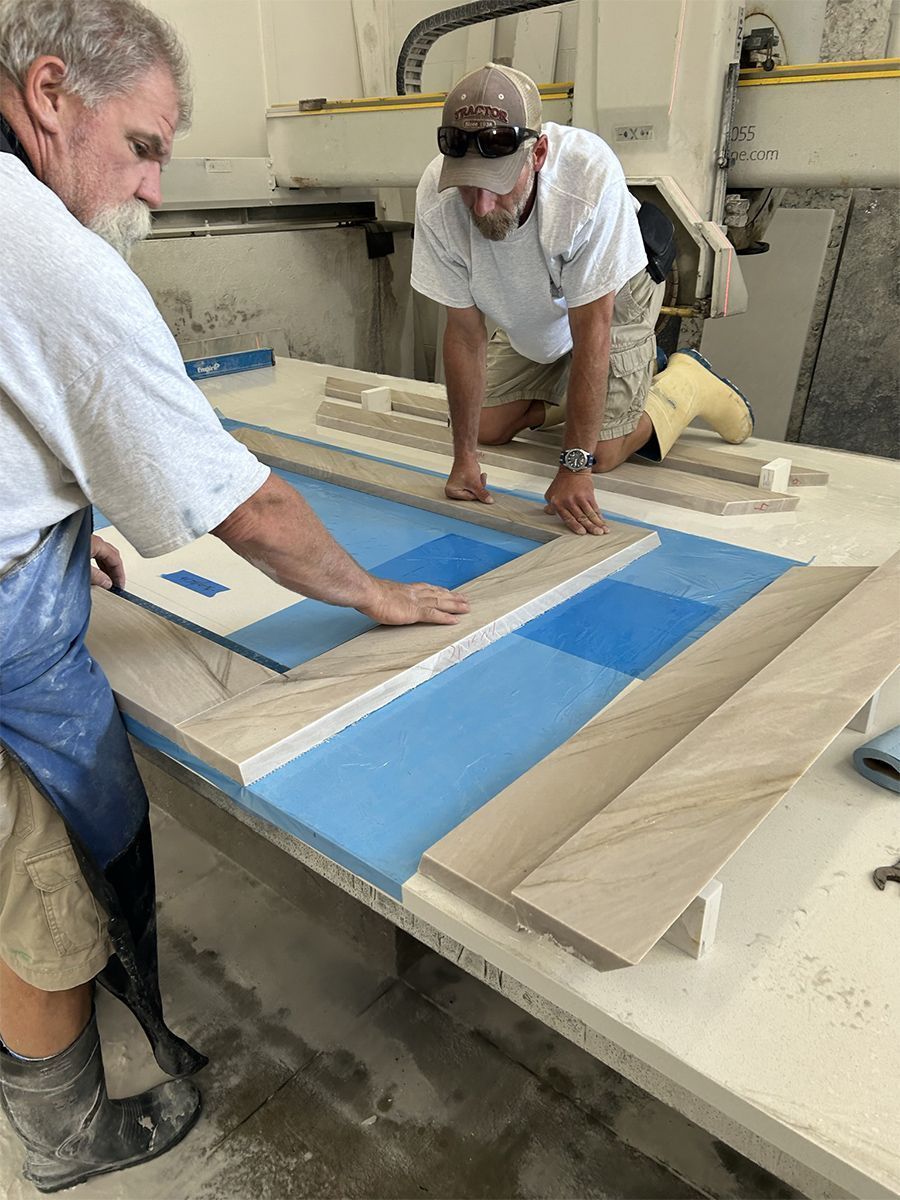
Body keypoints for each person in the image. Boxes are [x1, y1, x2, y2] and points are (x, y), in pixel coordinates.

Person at [0, 1, 468, 1190]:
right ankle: (63, 1135)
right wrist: (370, 593)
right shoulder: (50, 255)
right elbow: (242, 506)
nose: (155, 191)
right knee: (45, 870)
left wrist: (52, 528)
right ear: (51, 94)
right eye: (146, 147)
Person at [411, 63, 754, 536]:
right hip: (533, 299)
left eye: (496, 184)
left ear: (538, 154)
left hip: (616, 290)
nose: (481, 206)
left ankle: (688, 382)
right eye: (469, 185)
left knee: (604, 453)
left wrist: (575, 465)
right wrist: (464, 459)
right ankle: (575, 397)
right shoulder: (437, 197)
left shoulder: (586, 179)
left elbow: (591, 331)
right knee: (484, 427)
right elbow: (464, 334)